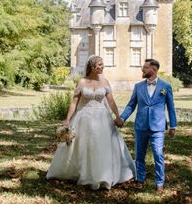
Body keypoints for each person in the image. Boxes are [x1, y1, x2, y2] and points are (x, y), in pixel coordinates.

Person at [46, 56, 135, 190]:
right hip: (83, 117)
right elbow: (74, 102)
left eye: (102, 64)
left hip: (102, 118)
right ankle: (81, 172)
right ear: (92, 66)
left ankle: (103, 175)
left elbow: (111, 101)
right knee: (83, 145)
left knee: (101, 145)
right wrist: (68, 119)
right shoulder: (82, 82)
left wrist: (118, 116)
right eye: (99, 65)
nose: (102, 67)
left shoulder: (105, 82)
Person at [120, 58, 177, 191]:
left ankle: (159, 183)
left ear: (154, 69)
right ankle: (140, 179)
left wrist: (173, 125)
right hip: (141, 126)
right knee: (139, 155)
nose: (142, 69)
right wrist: (122, 118)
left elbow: (171, 107)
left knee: (158, 154)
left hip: (157, 127)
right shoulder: (138, 86)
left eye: (145, 67)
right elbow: (131, 105)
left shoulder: (166, 86)